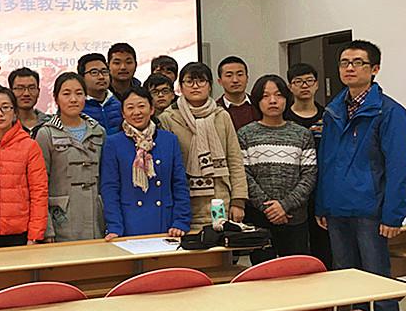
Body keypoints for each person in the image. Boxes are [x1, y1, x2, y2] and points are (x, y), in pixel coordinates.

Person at [315, 40, 406, 311]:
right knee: (346, 282)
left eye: (358, 62)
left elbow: (399, 167)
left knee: (379, 282)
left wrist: (393, 214)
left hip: (371, 211)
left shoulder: (389, 112)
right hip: (337, 210)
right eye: (344, 63)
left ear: (375, 69)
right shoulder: (333, 110)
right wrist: (322, 204)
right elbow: (326, 161)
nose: (350, 68)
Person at [237, 75, 316, 265]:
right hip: (259, 218)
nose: (273, 100)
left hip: (295, 218)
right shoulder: (245, 134)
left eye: (278, 95)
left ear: (287, 99)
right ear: (257, 101)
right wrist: (268, 207)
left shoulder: (302, 134)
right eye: (265, 96)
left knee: (297, 272)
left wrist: (284, 205)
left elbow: (309, 176)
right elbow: (243, 175)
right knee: (262, 274)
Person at [158, 62, 248, 230]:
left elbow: (235, 159)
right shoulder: (168, 118)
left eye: (201, 81)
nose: (195, 86)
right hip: (184, 202)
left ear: (210, 85)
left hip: (220, 198)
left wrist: (238, 201)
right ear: (180, 86)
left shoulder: (222, 116)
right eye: (189, 81)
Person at [100, 86, 190, 238]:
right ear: (123, 113)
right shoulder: (113, 143)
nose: (137, 112)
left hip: (166, 223)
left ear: (152, 109)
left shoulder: (169, 140)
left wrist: (180, 221)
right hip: (128, 223)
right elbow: (110, 189)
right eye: (130, 108)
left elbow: (179, 184)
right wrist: (114, 226)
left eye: (141, 106)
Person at [0, 86, 48, 248]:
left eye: (5, 107)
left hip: (19, 234)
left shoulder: (29, 146)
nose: (0, 113)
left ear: (15, 112)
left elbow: (39, 192)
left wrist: (35, 234)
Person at [35, 73, 106, 242]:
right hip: (62, 219)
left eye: (79, 93)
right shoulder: (46, 133)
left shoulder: (98, 131)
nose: (73, 99)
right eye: (66, 94)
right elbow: (40, 184)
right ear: (56, 98)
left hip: (95, 217)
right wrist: (47, 229)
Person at [285, 62, 331, 269]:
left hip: (321, 191)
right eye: (298, 82)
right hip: (292, 195)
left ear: (317, 85)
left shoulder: (329, 117)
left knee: (324, 251)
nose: (304, 86)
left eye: (309, 81)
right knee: (296, 255)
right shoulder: (283, 118)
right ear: (290, 86)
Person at [79, 53, 123, 134]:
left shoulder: (120, 104)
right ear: (82, 78)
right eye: (94, 72)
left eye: (104, 71)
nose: (101, 77)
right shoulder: (77, 108)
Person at [216, 56, 261, 131]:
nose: (235, 80)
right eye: (229, 76)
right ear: (220, 81)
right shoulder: (215, 110)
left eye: (240, 74)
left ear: (247, 78)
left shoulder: (259, 105)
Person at [8, 67, 50, 134]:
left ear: (38, 91)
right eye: (20, 88)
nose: (26, 94)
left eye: (31, 88)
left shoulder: (50, 123)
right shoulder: (6, 124)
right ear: (10, 91)